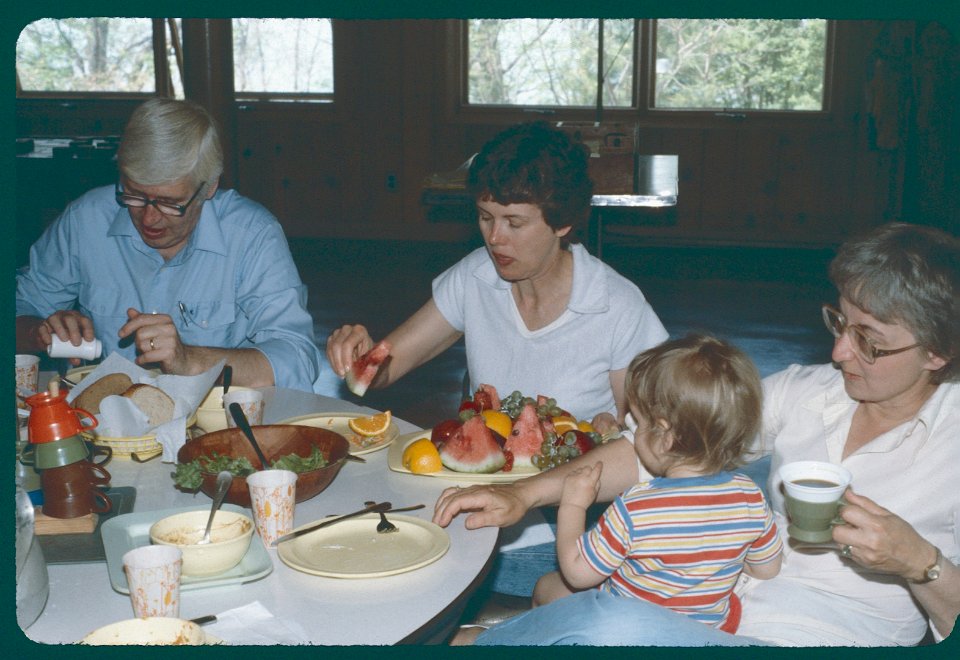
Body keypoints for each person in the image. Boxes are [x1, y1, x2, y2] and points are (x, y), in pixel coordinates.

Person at [435, 222, 959, 646]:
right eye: (840, 325)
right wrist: (521, 496)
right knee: (566, 597)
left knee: (605, 620)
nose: (840, 352)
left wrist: (920, 562)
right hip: (715, 617)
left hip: (817, 636)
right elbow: (658, 448)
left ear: (936, 353)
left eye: (870, 342)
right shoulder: (811, 391)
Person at [326, 121, 667, 427]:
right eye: (485, 217)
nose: (494, 238)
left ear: (563, 222)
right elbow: (389, 367)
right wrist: (359, 355)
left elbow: (649, 431)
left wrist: (614, 428)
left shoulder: (617, 306)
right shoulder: (474, 276)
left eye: (514, 223)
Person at [15, 98, 323, 392]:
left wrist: (190, 360)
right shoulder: (86, 220)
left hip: (216, 423)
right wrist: (39, 330)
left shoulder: (252, 234)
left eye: (170, 203)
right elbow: (18, 309)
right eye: (134, 194)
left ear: (210, 187)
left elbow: (296, 358)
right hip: (103, 423)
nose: (149, 217)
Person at [534, 335, 782, 634]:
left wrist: (573, 505)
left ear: (664, 435)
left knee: (548, 587)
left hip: (627, 634)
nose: (627, 424)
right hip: (703, 636)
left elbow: (576, 573)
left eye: (635, 422)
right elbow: (767, 568)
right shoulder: (749, 496)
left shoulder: (635, 506)